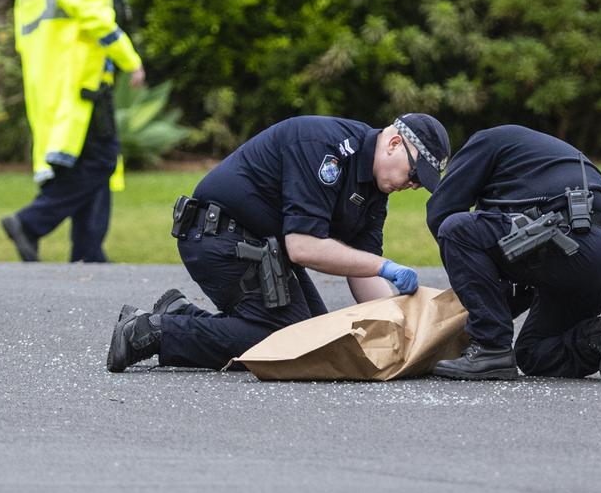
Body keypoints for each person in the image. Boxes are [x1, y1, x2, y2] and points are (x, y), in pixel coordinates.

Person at [106, 113, 451, 372]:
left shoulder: (375, 190)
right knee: (286, 343)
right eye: (414, 175)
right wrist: (385, 266)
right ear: (394, 144)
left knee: (316, 339)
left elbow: (362, 271)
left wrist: (402, 331)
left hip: (259, 247)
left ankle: (181, 314)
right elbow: (303, 246)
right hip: (216, 235)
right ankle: (151, 332)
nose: (413, 186)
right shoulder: (326, 148)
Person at [426, 125, 601, 380]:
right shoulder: (532, 162)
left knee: (456, 229)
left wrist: (478, 314)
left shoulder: (484, 142)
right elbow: (515, 270)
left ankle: (491, 349)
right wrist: (491, 301)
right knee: (533, 354)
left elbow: (441, 212)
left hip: (569, 240)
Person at [0, 0, 145, 264]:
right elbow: (93, 14)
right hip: (82, 76)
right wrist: (129, 57)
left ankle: (88, 251)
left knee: (84, 162)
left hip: (49, 79)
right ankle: (30, 223)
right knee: (101, 158)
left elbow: (23, 31)